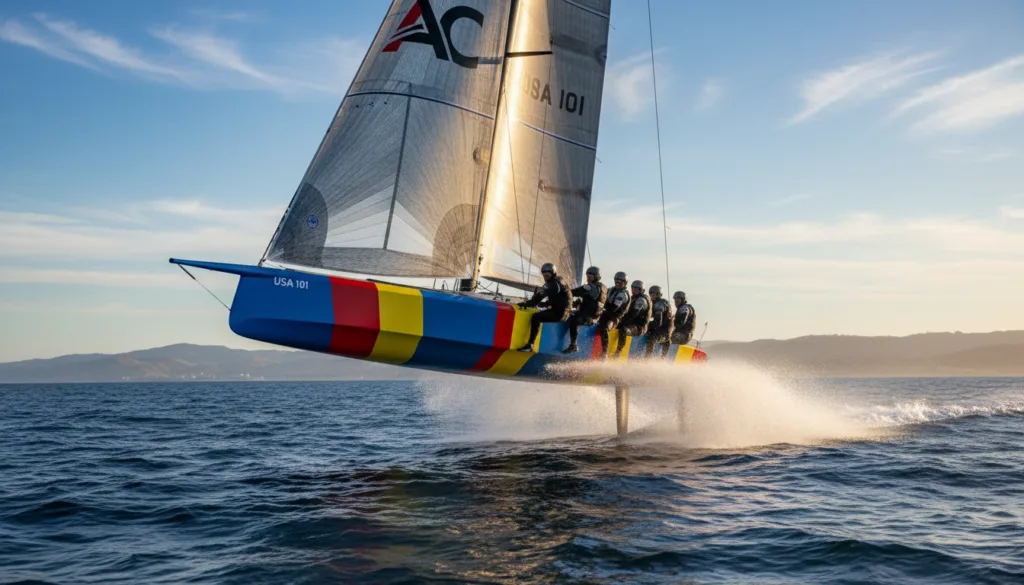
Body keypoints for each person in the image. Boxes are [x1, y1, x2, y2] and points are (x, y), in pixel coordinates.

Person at [516, 262, 572, 352]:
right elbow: (560, 298)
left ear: (553, 272)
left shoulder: (552, 284)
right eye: (544, 272)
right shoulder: (560, 280)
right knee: (541, 313)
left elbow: (536, 300)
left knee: (536, 317)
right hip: (565, 313)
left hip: (558, 314)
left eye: (548, 271)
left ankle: (530, 345)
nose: (546, 273)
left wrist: (525, 304)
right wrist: (543, 304)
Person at [562, 266, 607, 354]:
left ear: (596, 277)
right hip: (595, 317)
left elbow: (572, 292)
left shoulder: (590, 287)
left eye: (590, 276)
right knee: (574, 315)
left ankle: (573, 345)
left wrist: (561, 290)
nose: (588, 278)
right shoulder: (604, 288)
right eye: (587, 276)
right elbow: (594, 301)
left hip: (588, 318)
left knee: (574, 321)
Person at [594, 271, 631, 357]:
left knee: (605, 327)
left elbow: (614, 308)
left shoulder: (623, 294)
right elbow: (601, 299)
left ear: (625, 283)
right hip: (605, 313)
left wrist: (601, 309)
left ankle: (604, 352)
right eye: (616, 281)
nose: (618, 283)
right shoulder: (611, 290)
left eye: (620, 282)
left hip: (614, 318)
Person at [612, 279, 652, 357]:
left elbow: (633, 314)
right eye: (633, 288)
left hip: (639, 327)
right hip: (631, 323)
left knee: (624, 330)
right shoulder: (633, 298)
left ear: (641, 290)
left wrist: (621, 319)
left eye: (637, 288)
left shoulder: (641, 300)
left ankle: (618, 352)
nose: (634, 290)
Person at [645, 285, 674, 358]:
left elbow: (657, 323)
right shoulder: (660, 303)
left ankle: (646, 359)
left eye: (653, 294)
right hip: (662, 331)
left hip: (664, 332)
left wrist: (645, 326)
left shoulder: (659, 304)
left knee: (651, 339)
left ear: (658, 294)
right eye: (650, 293)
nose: (651, 296)